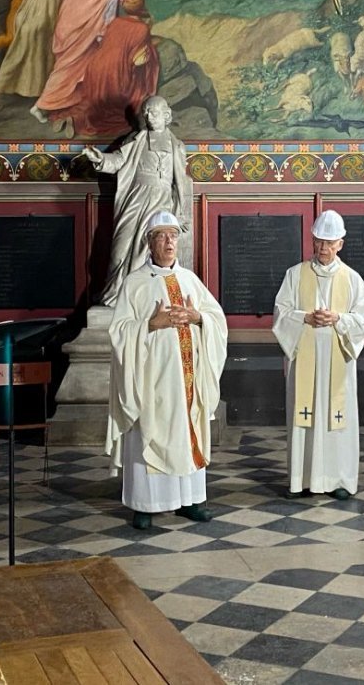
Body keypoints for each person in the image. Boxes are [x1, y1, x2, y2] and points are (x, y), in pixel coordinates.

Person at [105, 210, 227, 530]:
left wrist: (199, 318)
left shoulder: (190, 281)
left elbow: (217, 321)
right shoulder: (134, 284)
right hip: (151, 380)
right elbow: (118, 332)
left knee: (187, 431)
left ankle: (190, 500)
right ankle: (146, 504)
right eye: (161, 235)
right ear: (149, 242)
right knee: (150, 431)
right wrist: (150, 324)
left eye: (173, 234)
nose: (169, 241)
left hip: (188, 379)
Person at [272, 210, 364, 500]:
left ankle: (338, 480)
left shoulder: (352, 279)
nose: (323, 249)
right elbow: (281, 314)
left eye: (330, 243)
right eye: (318, 242)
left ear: (341, 244)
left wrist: (337, 319)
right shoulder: (295, 274)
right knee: (304, 418)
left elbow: (362, 318)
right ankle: (300, 480)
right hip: (304, 358)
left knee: (335, 419)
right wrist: (306, 318)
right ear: (312, 241)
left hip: (336, 361)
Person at [81, 95, 192, 306]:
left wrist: (182, 213)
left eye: (154, 112)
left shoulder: (177, 146)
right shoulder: (136, 139)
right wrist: (101, 159)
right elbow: (118, 161)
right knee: (119, 250)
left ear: (167, 115)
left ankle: (147, 299)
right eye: (146, 112)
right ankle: (117, 294)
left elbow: (181, 183)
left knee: (154, 249)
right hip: (135, 198)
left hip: (161, 202)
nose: (148, 116)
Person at [31, 0, 151, 137]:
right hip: (80, 35)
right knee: (66, 71)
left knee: (75, 71)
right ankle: (41, 105)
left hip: (71, 31)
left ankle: (63, 106)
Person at [71, 0, 160, 137]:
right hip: (116, 71)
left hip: (96, 67)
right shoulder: (142, 28)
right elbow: (138, 56)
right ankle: (82, 121)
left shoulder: (116, 21)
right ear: (141, 8)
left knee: (95, 103)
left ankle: (75, 119)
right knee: (123, 106)